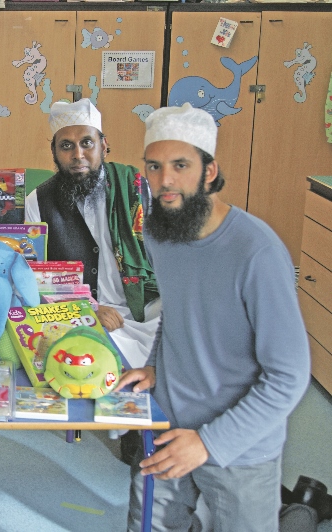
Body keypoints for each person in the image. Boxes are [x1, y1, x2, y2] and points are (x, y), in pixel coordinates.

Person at [117, 103, 311, 531]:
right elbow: (178, 310)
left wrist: (208, 442)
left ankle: (302, 514)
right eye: (154, 166)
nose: (165, 180)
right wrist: (154, 366)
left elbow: (289, 376)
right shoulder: (160, 232)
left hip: (241, 446)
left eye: (180, 165)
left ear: (209, 170)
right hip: (168, 424)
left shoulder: (257, 252)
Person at [26, 98, 160, 370]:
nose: (78, 155)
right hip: (77, 313)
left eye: (87, 143)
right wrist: (85, 308)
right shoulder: (36, 202)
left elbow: (167, 255)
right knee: (79, 357)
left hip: (143, 307)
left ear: (104, 145)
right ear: (54, 151)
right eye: (66, 146)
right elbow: (32, 277)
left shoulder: (136, 188)